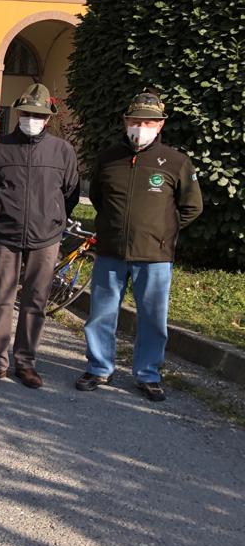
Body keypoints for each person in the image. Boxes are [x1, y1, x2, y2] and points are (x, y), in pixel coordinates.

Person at [77, 92, 203, 402]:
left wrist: (163, 232)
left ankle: (148, 374)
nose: (141, 127)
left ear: (160, 125)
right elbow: (98, 198)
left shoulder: (176, 161)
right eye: (135, 121)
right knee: (101, 313)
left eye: (148, 122)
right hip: (111, 251)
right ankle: (99, 367)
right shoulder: (108, 159)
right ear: (125, 122)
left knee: (152, 318)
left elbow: (192, 206)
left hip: (155, 255)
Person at [0, 84, 79, 389]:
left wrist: (54, 217)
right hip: (4, 235)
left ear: (48, 118)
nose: (31, 119)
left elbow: (70, 193)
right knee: (0, 299)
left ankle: (25, 362)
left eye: (38, 115)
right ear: (18, 113)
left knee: (36, 300)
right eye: (26, 113)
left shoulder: (62, 151)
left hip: (45, 237)